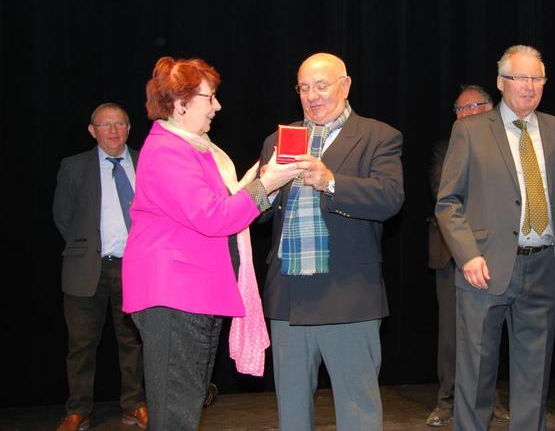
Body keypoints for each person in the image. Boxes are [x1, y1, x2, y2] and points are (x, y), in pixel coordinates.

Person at [122, 56, 302, 430]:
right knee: (175, 415)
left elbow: (225, 205)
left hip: (192, 295)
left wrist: (261, 180)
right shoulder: (169, 152)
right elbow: (215, 216)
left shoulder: (194, 150)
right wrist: (264, 186)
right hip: (174, 296)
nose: (217, 106)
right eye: (210, 97)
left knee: (184, 409)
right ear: (180, 102)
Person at [258, 52, 404, 430]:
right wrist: (263, 188)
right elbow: (257, 213)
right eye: (304, 88)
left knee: (358, 413)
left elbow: (390, 199)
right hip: (288, 297)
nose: (312, 96)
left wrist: (331, 181)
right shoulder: (279, 139)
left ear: (346, 84)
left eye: (321, 86)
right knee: (291, 415)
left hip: (348, 296)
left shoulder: (378, 136)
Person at [436, 44, 555, 430]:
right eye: (520, 78)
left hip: (544, 266)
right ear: (501, 82)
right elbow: (447, 202)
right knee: (476, 375)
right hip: (485, 268)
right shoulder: (469, 130)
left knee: (534, 378)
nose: (529, 87)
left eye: (537, 79)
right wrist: (467, 255)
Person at [53, 103, 148, 431]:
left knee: (133, 343)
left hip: (134, 269)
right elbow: (62, 217)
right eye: (105, 125)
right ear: (92, 131)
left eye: (119, 124)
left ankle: (134, 404)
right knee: (81, 345)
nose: (113, 131)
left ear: (129, 128)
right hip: (86, 269)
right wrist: (89, 249)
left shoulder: (146, 162)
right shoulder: (73, 166)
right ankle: (78, 410)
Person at [426, 85, 510, 427]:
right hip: (453, 253)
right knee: (451, 334)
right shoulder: (445, 147)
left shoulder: (506, 146)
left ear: (490, 108)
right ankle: (446, 400)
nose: (464, 113)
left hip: (497, 252)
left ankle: (493, 399)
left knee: (493, 333)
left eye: (472, 106)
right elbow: (442, 192)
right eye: (459, 109)